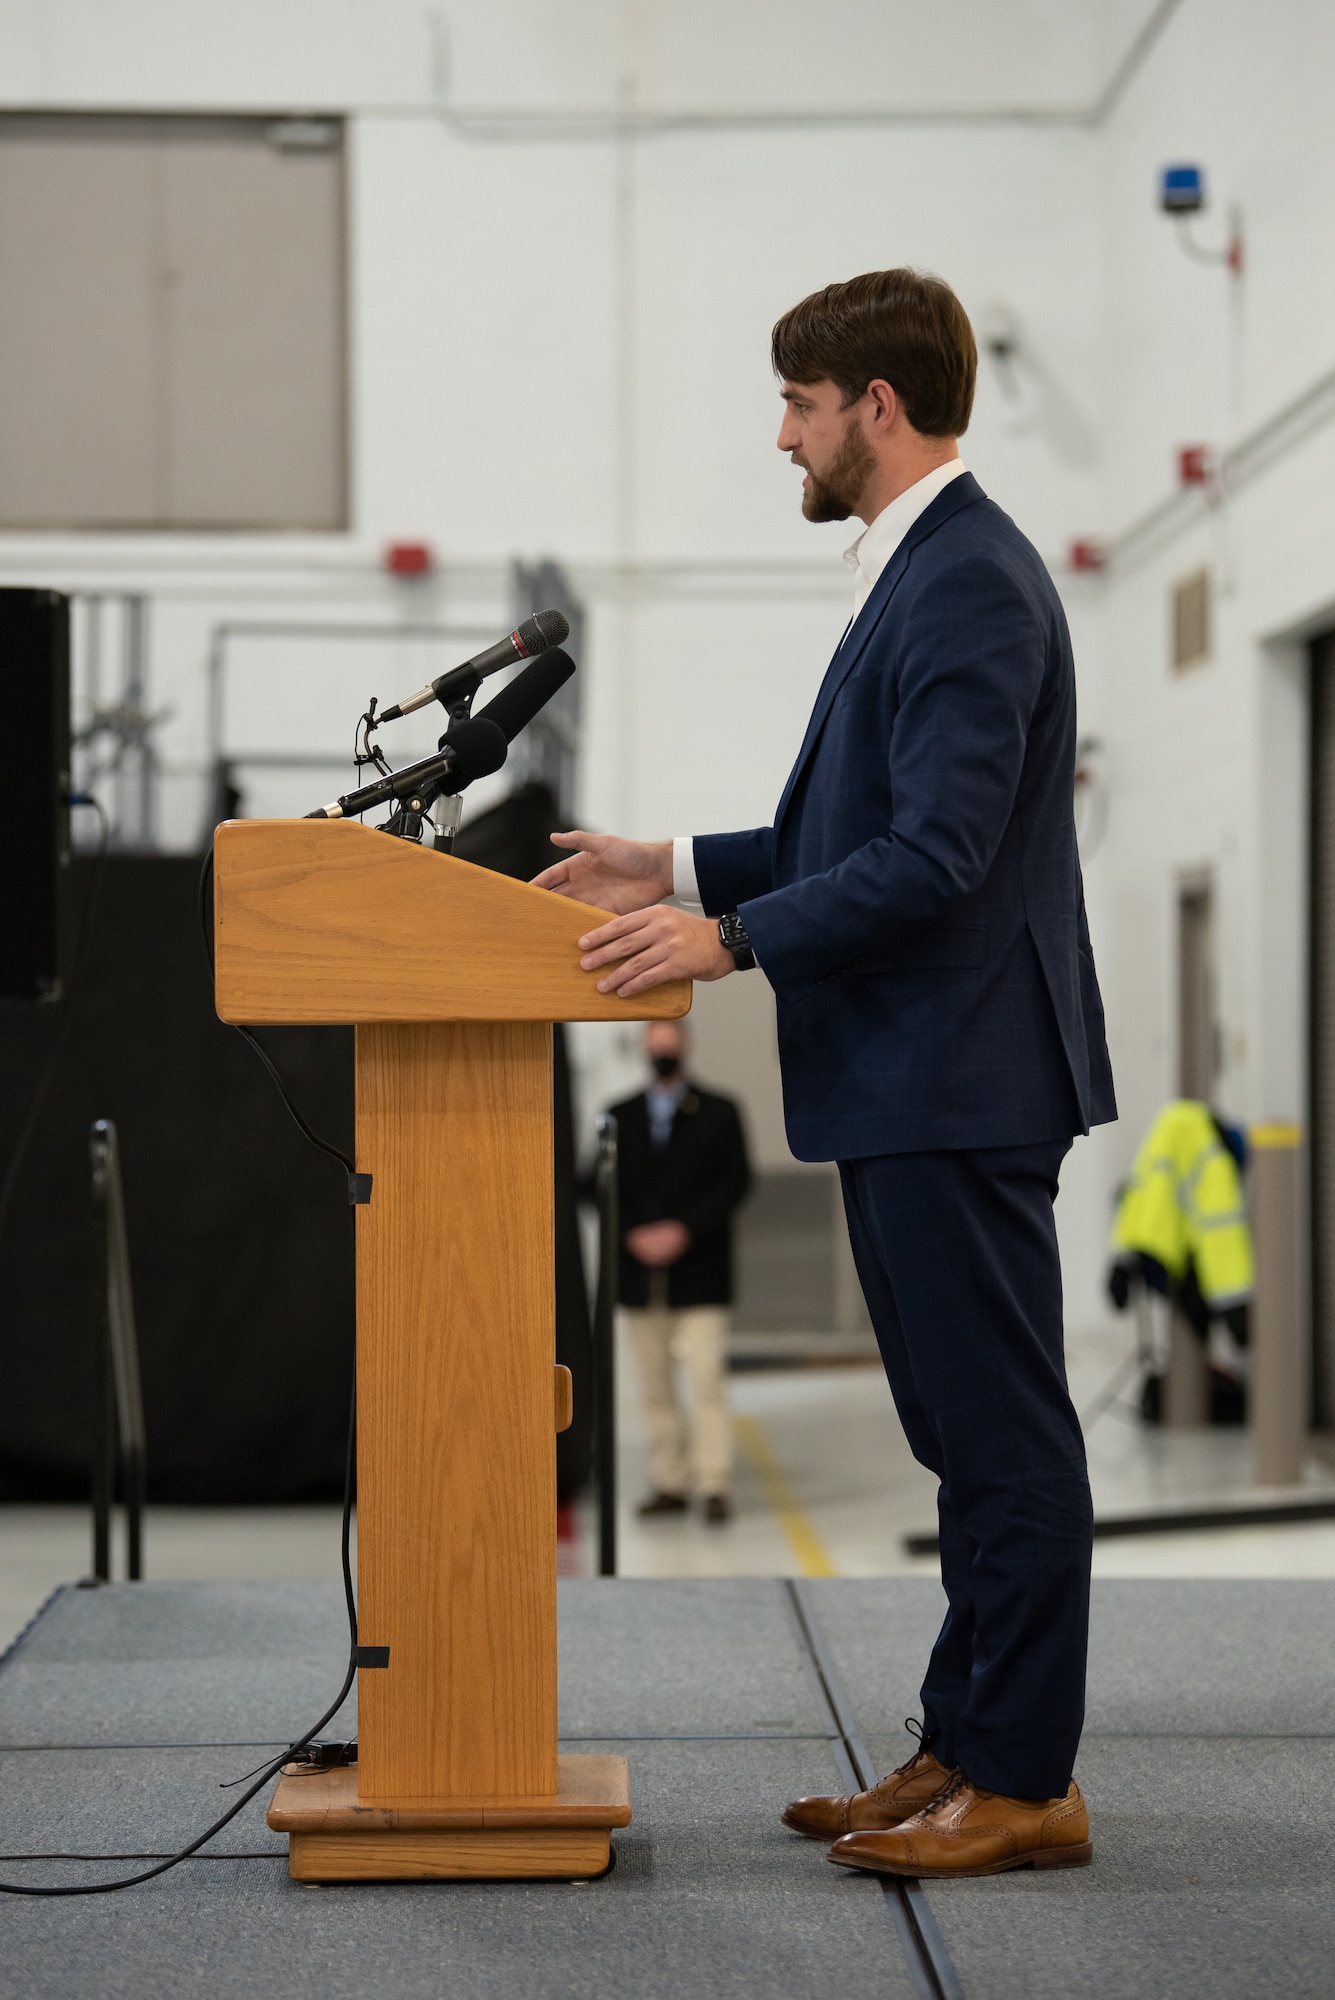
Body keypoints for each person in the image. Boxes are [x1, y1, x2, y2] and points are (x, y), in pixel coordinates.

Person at [535, 267, 1116, 1880]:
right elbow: (855, 825)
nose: (782, 432)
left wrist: (722, 940)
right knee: (958, 1434)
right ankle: (963, 1739)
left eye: (801, 402)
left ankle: (1027, 1781)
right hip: (912, 1074)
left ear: (879, 407)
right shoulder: (920, 574)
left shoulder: (972, 581)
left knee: (1004, 1439)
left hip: (962, 1073)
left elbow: (934, 854)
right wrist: (668, 861)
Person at [608, 1019, 751, 1524]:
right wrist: (631, 1234)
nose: (663, 1055)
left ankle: (713, 1482)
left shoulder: (719, 1112)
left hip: (700, 1275)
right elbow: (593, 1184)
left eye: (670, 1046)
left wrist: (684, 1230)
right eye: (655, 1048)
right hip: (639, 1277)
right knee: (654, 1385)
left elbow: (736, 1182)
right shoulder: (618, 1117)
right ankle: (669, 1480)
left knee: (706, 1379)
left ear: (686, 1046)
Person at [1107, 1099, 1252, 1423]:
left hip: (1148, 1255)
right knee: (1197, 1323)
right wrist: (1234, 1304)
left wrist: (1120, 1258)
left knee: (1188, 1335)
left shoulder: (1172, 1123)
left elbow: (1138, 1196)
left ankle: (1190, 1394)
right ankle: (1195, 1398)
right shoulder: (1216, 1161)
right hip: (1176, 1262)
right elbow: (1220, 1232)